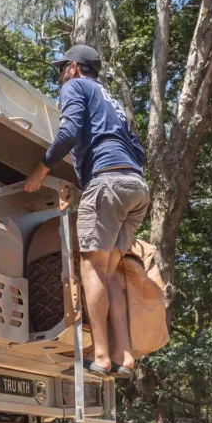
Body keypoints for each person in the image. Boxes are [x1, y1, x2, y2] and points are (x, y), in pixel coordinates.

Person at [24, 44, 150, 379]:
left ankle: (101, 356)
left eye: (62, 67)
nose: (60, 75)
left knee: (91, 268)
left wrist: (41, 170)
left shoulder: (74, 87)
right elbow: (138, 152)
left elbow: (68, 132)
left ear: (76, 68)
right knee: (109, 273)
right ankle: (124, 356)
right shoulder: (112, 101)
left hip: (107, 181)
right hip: (136, 187)